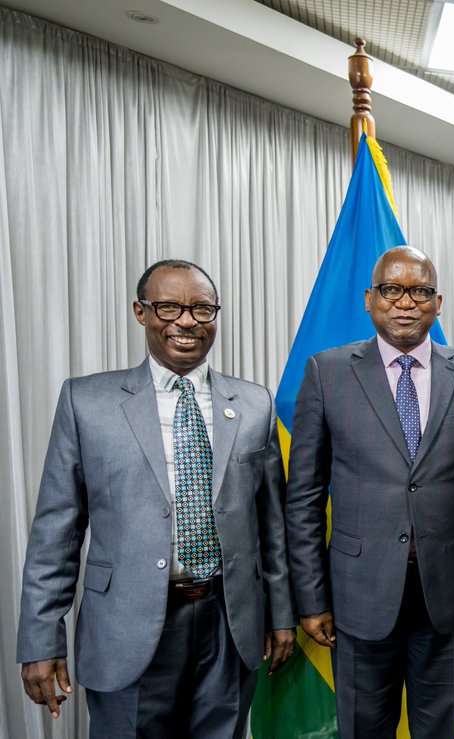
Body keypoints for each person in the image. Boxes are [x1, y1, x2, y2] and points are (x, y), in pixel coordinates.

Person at [16, 260, 295, 737]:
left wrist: (282, 614)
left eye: (202, 309)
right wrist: (41, 639)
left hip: (229, 625)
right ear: (140, 312)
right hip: (126, 626)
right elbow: (55, 533)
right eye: (168, 307)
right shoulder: (86, 402)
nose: (186, 321)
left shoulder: (254, 404)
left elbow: (272, 523)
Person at [286, 245, 454, 738]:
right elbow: (303, 497)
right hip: (356, 593)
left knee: (440, 729)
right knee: (365, 728)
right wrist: (310, 597)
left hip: (449, 593)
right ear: (370, 299)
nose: (405, 302)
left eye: (419, 292)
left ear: (438, 303)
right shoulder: (327, 373)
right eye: (391, 290)